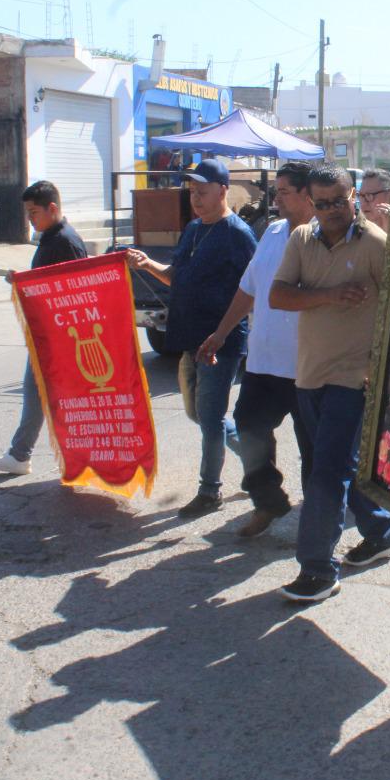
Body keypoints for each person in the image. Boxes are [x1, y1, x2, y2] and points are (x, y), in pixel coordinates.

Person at [269, 166, 390, 602]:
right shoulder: (301, 239)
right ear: (311, 202)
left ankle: (318, 569)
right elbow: (278, 296)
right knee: (338, 466)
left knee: (326, 473)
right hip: (309, 375)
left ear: (353, 195)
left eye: (339, 201)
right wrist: (329, 295)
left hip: (355, 378)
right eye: (322, 203)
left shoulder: (376, 245)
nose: (331, 211)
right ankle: (382, 532)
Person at [126, 159, 257, 517]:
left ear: (223, 190)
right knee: (199, 414)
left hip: (220, 343)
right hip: (189, 338)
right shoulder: (194, 229)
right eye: (192, 192)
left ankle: (210, 491)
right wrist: (147, 264)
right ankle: (258, 461)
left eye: (203, 191)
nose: (195, 198)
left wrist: (223, 333)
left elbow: (254, 288)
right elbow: (176, 275)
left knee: (211, 418)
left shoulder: (238, 234)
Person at [193, 161, 317, 538]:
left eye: (284, 192)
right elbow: (248, 289)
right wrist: (220, 333)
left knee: (313, 448)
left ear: (308, 195)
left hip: (310, 365)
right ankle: (268, 500)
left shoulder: (326, 237)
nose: (276, 198)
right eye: (276, 191)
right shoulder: (273, 232)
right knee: (249, 427)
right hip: (264, 362)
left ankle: (318, 521)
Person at [0, 180, 89, 476]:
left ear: (51, 208)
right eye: (27, 213)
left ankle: (38, 456)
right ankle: (22, 455)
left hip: (58, 335)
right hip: (47, 333)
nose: (30, 220)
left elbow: (74, 290)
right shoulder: (53, 237)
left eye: (33, 213)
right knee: (37, 394)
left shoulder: (65, 241)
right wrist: (23, 280)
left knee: (51, 397)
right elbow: (47, 281)